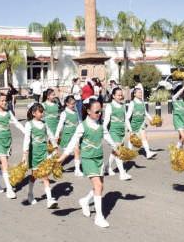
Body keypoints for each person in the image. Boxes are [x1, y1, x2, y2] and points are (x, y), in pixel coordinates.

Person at [59, 99, 118, 228]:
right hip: (88, 159)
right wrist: (61, 158)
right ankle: (99, 217)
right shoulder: (82, 126)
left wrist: (117, 149)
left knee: (100, 187)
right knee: (98, 185)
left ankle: (85, 201)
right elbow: (73, 142)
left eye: (100, 111)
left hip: (99, 158)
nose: (99, 114)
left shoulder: (101, 124)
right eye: (97, 112)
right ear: (88, 111)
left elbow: (108, 137)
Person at [22, 103, 58, 209]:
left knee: (45, 176)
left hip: (44, 153)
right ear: (34, 113)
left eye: (43, 112)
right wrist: (25, 154)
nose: (42, 114)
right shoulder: (29, 124)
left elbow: (50, 135)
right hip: (34, 154)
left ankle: (49, 200)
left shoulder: (44, 123)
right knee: (34, 176)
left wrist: (55, 147)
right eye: (40, 112)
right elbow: (26, 139)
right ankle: (30, 194)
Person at [103, 87, 131, 180]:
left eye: (121, 95)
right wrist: (104, 131)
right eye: (118, 95)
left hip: (121, 132)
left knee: (115, 151)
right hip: (113, 132)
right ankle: (122, 174)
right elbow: (106, 121)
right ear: (113, 96)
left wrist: (130, 130)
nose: (120, 97)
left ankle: (107, 167)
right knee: (118, 151)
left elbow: (126, 119)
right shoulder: (110, 106)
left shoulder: (123, 105)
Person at [55, 95, 82, 176]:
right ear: (67, 104)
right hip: (67, 136)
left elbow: (79, 123)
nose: (73, 105)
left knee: (77, 150)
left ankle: (77, 170)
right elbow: (60, 125)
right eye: (72, 104)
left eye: (74, 103)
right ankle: (56, 165)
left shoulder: (75, 112)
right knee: (66, 153)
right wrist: (57, 135)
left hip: (75, 135)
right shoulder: (64, 113)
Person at [126, 87, 156, 159]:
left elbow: (145, 112)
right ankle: (128, 153)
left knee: (144, 136)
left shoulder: (142, 102)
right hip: (133, 124)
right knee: (132, 139)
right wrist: (130, 128)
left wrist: (151, 119)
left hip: (142, 123)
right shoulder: (132, 103)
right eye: (139, 93)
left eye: (141, 92)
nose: (140, 94)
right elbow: (127, 117)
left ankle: (148, 153)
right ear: (135, 94)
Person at [172, 84, 184, 148]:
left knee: (181, 137)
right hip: (177, 120)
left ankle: (180, 150)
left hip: (183, 120)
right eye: (182, 91)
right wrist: (183, 88)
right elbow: (178, 94)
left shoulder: (183, 99)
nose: (182, 93)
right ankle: (176, 148)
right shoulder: (174, 98)